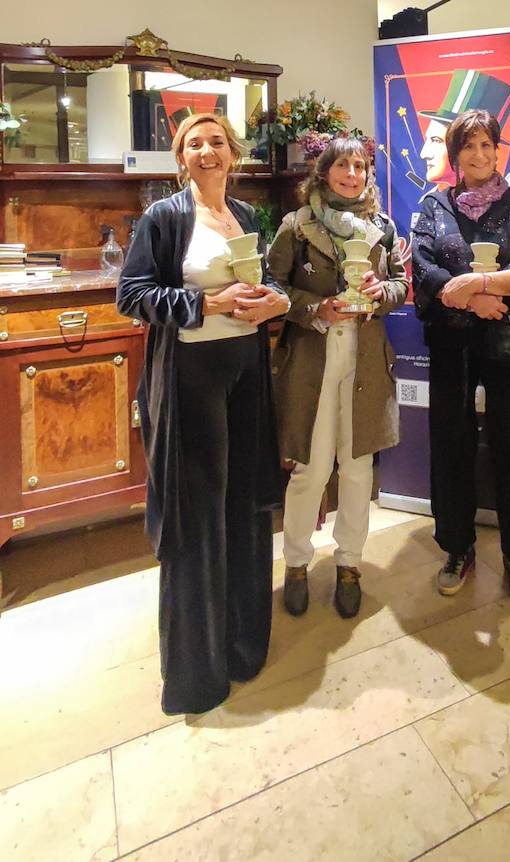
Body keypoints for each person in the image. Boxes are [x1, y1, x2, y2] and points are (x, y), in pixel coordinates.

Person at [117, 112, 289, 715]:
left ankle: (244, 646)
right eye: (195, 143)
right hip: (191, 381)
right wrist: (205, 302)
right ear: (180, 157)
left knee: (242, 507)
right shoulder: (163, 218)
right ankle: (198, 673)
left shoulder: (245, 218)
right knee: (198, 516)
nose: (208, 150)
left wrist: (270, 301)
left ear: (232, 152)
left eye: (217, 141)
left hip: (245, 374)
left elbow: (258, 283)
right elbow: (132, 294)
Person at [411, 108, 510, 607]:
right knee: (450, 443)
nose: (478, 154)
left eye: (486, 145)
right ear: (454, 156)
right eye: (467, 146)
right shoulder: (433, 207)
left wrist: (482, 284)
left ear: (497, 151)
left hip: (507, 341)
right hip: (451, 343)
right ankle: (457, 547)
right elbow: (422, 270)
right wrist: (474, 298)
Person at [268, 136, 408, 618]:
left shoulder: (381, 228)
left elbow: (401, 285)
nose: (352, 174)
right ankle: (297, 564)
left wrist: (380, 290)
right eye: (342, 165)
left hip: (365, 360)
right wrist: (314, 307)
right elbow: (272, 287)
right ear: (324, 172)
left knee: (356, 468)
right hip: (312, 362)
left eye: (361, 166)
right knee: (308, 469)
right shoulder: (296, 226)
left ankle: (350, 564)